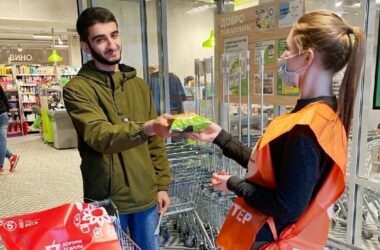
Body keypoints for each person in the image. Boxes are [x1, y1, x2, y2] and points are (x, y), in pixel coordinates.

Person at [188, 10, 365, 249]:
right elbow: (269, 169)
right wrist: (221, 138)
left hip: (276, 238)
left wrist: (233, 183)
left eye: (289, 49)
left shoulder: (307, 129)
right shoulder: (325, 116)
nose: (283, 56)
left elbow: (287, 206)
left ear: (306, 58)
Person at [63, 7, 172, 250]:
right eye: (100, 39)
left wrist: (162, 185)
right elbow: (99, 136)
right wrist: (147, 128)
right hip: (106, 201)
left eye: (114, 35)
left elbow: (156, 142)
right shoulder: (77, 89)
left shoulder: (139, 86)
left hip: (145, 196)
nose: (111, 45)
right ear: (85, 47)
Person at [0, 85, 19, 175]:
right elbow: (4, 97)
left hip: (1, 115)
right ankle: (11, 157)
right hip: (3, 114)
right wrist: (7, 110)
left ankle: (0, 166)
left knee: (1, 141)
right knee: (1, 141)